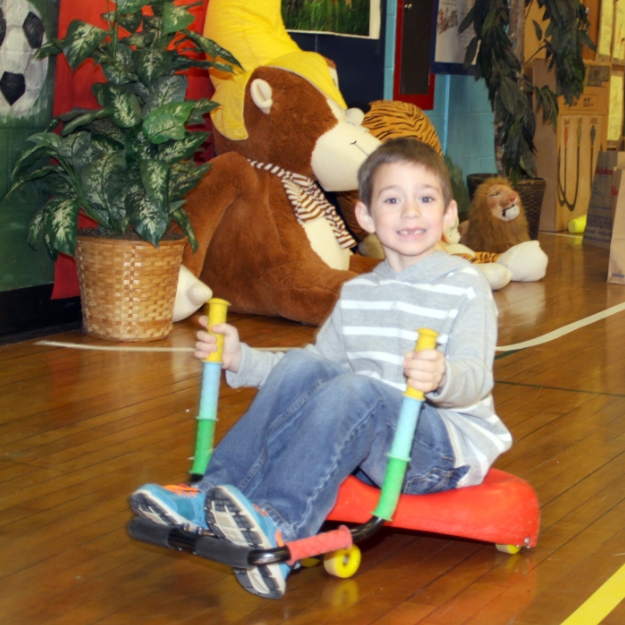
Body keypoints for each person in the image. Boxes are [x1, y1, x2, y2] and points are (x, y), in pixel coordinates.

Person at [128, 138, 511, 599]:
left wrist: (444, 376)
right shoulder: (358, 293)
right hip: (374, 441)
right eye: (392, 199)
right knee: (307, 367)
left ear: (449, 215)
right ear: (366, 217)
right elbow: (311, 374)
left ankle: (283, 523)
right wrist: (241, 359)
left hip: (441, 449)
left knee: (357, 391)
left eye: (425, 199)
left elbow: (474, 380)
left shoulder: (466, 286)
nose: (410, 212)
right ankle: (208, 495)